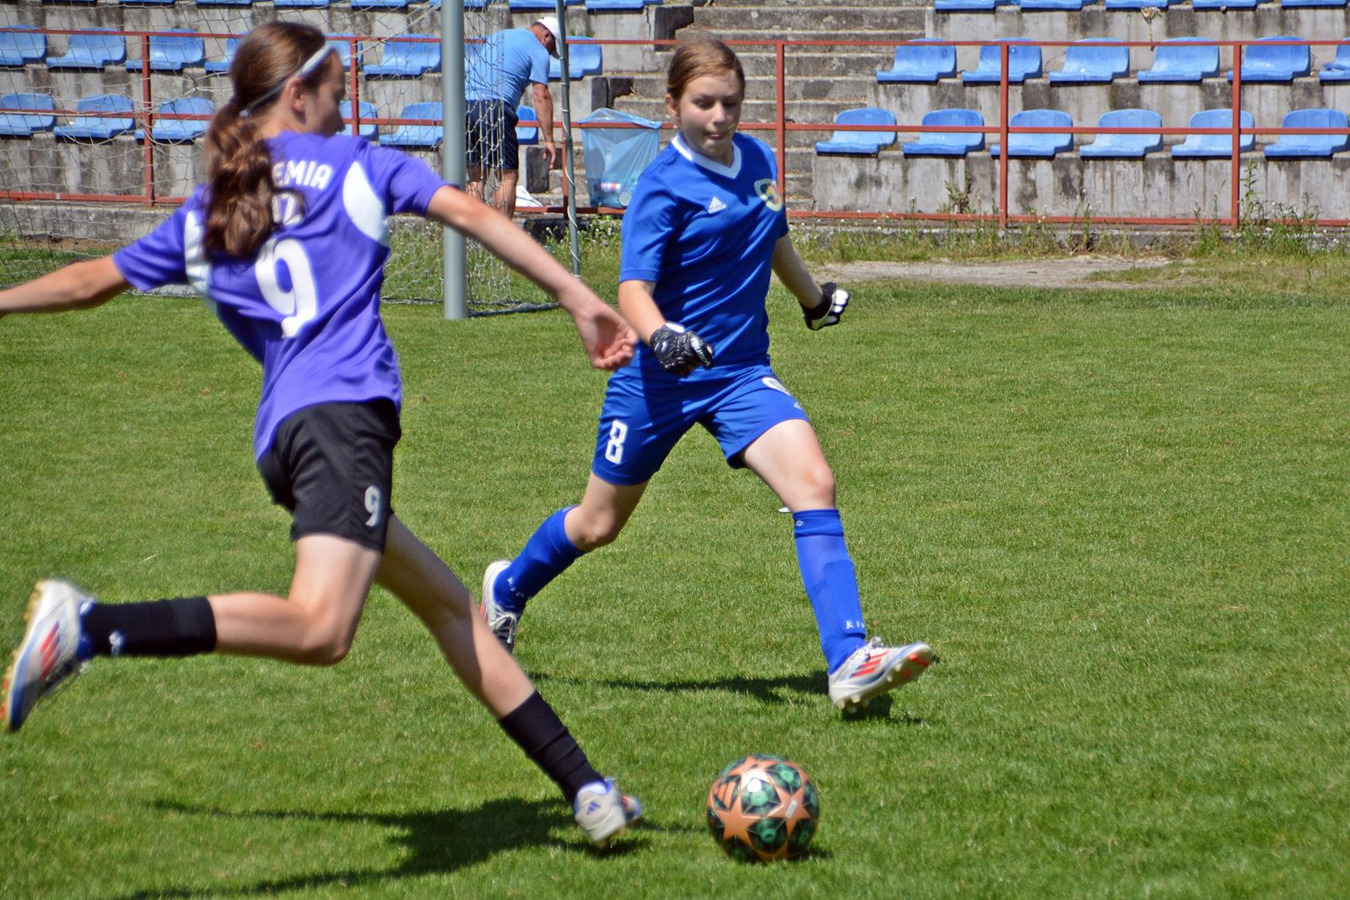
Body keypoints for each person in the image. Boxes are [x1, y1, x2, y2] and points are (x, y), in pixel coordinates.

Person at [0, 21, 642, 848]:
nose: (346, 105)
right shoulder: (357, 165)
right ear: (298, 93)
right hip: (343, 425)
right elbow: (473, 216)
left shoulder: (219, 200)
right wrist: (577, 297)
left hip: (288, 440)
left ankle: (587, 790)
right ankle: (89, 626)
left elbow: (92, 281)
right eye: (337, 90)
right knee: (322, 629)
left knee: (453, 609)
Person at [479, 38, 933, 714]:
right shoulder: (662, 186)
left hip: (740, 372)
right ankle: (507, 589)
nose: (719, 116)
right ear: (673, 105)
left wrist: (813, 300)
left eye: (730, 103)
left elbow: (773, 237)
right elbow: (633, 290)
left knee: (814, 481)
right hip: (656, 381)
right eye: (703, 103)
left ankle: (848, 660)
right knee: (598, 524)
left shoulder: (759, 160)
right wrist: (662, 336)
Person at [464, 16, 560, 219]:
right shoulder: (538, 50)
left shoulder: (499, 35)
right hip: (495, 108)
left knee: (475, 175)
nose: (549, 53)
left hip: (466, 105)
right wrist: (549, 140)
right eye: (552, 48)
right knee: (507, 176)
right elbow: (541, 96)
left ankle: (471, 233)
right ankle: (500, 233)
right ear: (547, 36)